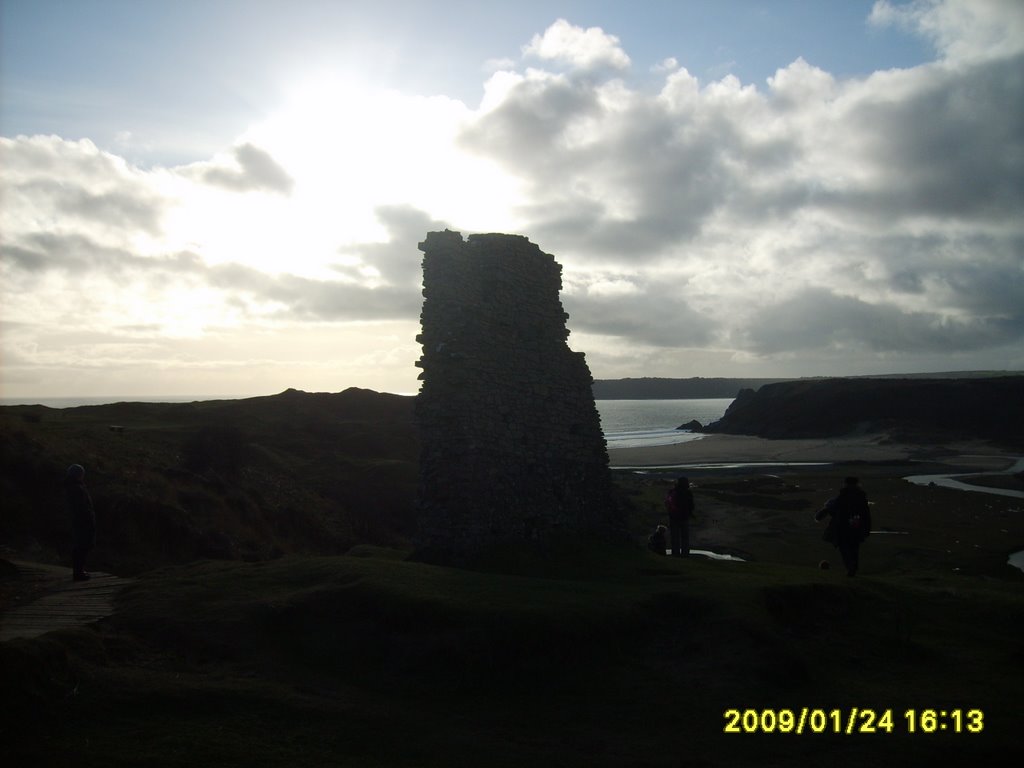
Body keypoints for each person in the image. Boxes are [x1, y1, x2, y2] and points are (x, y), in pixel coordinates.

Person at [815, 476, 871, 576]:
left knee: (844, 549)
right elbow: (866, 514)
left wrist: (819, 516)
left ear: (845, 484)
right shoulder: (861, 497)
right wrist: (867, 528)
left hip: (842, 527)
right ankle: (853, 568)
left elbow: (830, 507)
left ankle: (850, 568)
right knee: (854, 549)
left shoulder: (842, 495)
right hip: (856, 526)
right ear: (857, 484)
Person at [65, 464, 96, 581]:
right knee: (82, 546)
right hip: (82, 521)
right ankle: (78, 572)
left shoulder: (72, 487)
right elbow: (82, 507)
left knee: (81, 546)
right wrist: (88, 518)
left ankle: (79, 570)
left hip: (78, 521)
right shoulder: (76, 488)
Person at [664, 477, 695, 558]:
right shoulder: (688, 492)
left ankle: (675, 553)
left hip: (673, 517)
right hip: (684, 517)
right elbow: (691, 505)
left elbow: (667, 503)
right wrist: (690, 513)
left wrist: (670, 512)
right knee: (685, 537)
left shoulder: (672, 491)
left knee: (675, 537)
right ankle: (685, 553)